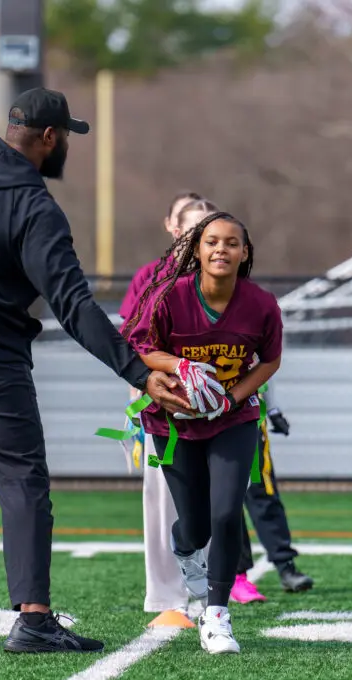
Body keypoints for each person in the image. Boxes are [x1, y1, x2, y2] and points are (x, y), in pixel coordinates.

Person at [0, 87, 195, 654]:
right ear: (49, 137)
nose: (67, 146)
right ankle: (33, 620)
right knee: (21, 479)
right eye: (67, 136)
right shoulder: (34, 206)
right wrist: (137, 372)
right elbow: (73, 305)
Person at [123, 210, 283, 655]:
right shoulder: (169, 295)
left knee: (226, 512)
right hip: (173, 421)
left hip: (233, 418)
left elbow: (270, 360)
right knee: (194, 526)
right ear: (197, 249)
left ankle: (216, 615)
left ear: (245, 252)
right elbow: (139, 347)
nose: (221, 250)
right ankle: (184, 546)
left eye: (232, 243)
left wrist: (230, 399)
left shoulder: (261, 303)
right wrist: (180, 365)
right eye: (212, 242)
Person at [119, 193, 217, 619]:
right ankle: (166, 598)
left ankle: (210, 593)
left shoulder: (221, 277)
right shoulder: (151, 277)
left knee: (211, 502)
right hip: (162, 405)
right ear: (174, 230)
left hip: (213, 408)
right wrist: (134, 410)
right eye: (193, 228)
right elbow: (132, 345)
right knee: (162, 501)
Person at [230, 380, 315, 604]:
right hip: (208, 420)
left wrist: (273, 408)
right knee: (227, 500)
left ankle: (285, 565)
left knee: (262, 492)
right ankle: (236, 574)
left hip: (247, 415)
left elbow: (264, 367)